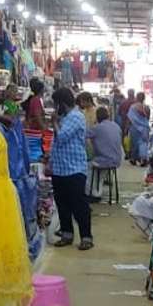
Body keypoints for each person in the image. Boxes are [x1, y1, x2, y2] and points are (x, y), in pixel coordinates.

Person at [47, 86, 93, 249]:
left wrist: (54, 122)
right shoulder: (65, 118)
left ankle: (86, 237)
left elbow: (62, 137)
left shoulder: (75, 117)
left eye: (56, 104)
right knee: (62, 204)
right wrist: (50, 161)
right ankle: (67, 234)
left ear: (62, 103)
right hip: (60, 169)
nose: (55, 108)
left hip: (74, 169)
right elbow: (55, 143)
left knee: (79, 205)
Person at [86, 105, 123, 200]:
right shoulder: (116, 126)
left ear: (97, 117)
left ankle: (92, 193)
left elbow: (84, 135)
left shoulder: (97, 128)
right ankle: (97, 191)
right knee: (99, 171)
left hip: (104, 160)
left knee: (87, 167)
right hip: (117, 159)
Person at [126, 91, 151, 165]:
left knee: (134, 143)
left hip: (134, 128)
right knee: (143, 143)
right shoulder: (146, 108)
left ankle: (134, 159)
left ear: (136, 98)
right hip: (144, 128)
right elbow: (148, 118)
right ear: (144, 98)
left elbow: (129, 118)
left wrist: (126, 128)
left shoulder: (132, 107)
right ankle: (143, 159)